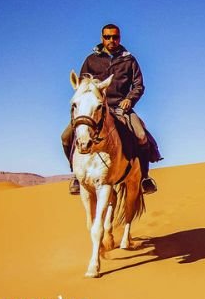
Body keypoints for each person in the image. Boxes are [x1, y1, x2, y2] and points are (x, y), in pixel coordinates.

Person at [61, 24, 161, 195]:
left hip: (121, 108)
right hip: (96, 110)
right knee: (66, 136)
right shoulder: (91, 60)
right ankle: (77, 176)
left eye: (115, 37)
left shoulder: (129, 60)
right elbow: (82, 86)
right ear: (102, 38)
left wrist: (130, 99)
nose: (111, 40)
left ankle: (144, 177)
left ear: (119, 38)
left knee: (141, 135)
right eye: (107, 37)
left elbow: (138, 85)